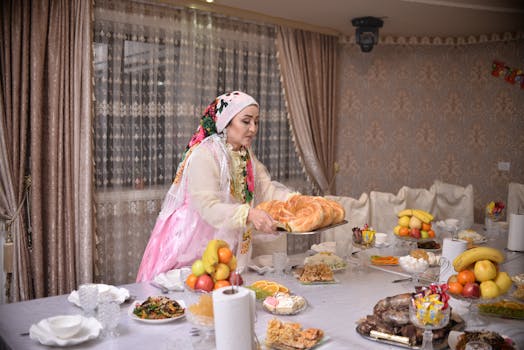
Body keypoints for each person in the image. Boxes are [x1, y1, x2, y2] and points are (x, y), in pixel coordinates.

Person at [136, 91, 296, 282]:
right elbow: (207, 207)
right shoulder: (205, 154)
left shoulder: (245, 154)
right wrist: (249, 214)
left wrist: (296, 201)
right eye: (246, 121)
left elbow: (266, 188)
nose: (253, 129)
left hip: (222, 239)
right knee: (190, 298)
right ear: (226, 122)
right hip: (190, 240)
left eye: (256, 121)